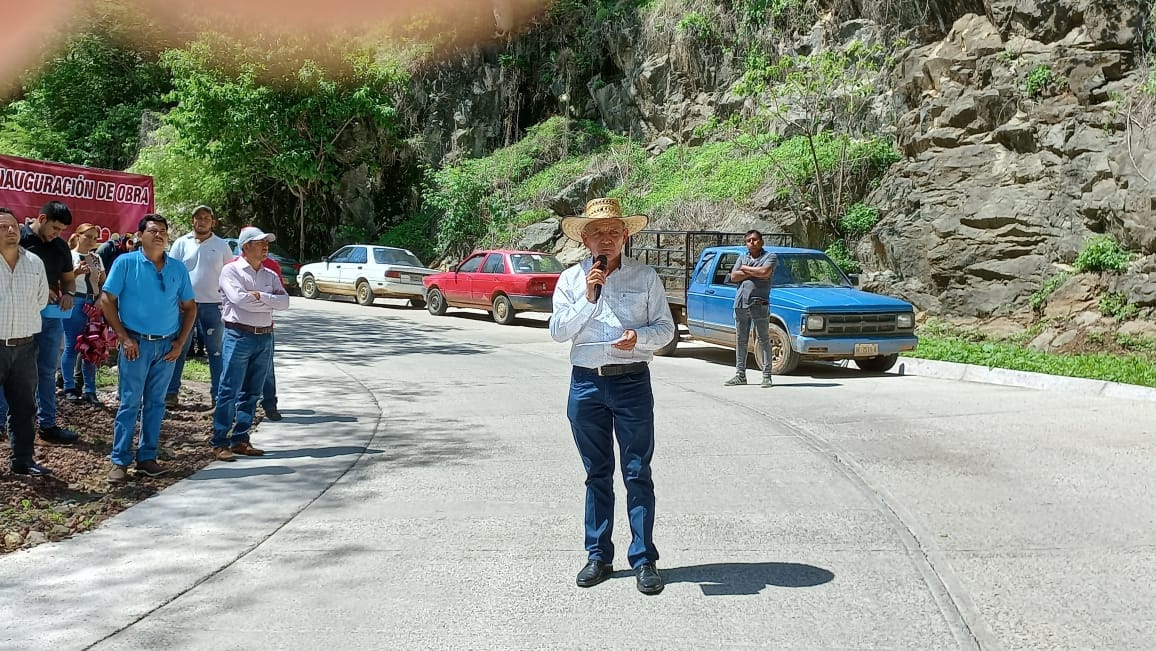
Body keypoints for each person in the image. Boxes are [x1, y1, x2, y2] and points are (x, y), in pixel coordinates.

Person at [548, 197, 675, 595]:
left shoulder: (645, 277)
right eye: (598, 233)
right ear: (585, 240)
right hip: (586, 385)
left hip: (632, 381)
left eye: (613, 232)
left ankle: (644, 559)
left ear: (625, 237)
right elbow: (558, 332)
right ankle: (598, 556)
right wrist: (589, 298)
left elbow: (666, 330)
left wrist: (640, 338)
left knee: (638, 473)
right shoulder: (571, 280)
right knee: (596, 474)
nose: (606, 239)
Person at [99, 215, 196, 483]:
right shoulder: (126, 263)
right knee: (129, 403)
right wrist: (124, 337)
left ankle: (147, 458)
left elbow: (190, 308)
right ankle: (119, 461)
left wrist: (180, 343)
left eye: (163, 231)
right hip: (136, 345)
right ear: (139, 235)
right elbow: (107, 300)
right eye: (153, 230)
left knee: (156, 404)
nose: (159, 235)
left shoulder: (177, 269)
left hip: (166, 347)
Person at [0, 201, 80, 445]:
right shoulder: (17, 238)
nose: (57, 234)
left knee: (45, 371)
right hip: (12, 320)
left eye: (61, 230)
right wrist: (39, 291)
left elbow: (68, 280)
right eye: (55, 228)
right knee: (7, 375)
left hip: (49, 319)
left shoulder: (60, 247)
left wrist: (68, 294)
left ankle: (47, 424)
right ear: (41, 218)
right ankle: (2, 424)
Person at [211, 226, 288, 461]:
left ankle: (241, 439)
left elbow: (284, 302)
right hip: (239, 336)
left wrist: (260, 296)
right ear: (245, 247)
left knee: (252, 391)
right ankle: (220, 441)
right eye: (259, 243)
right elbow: (239, 300)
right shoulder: (231, 271)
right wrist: (268, 301)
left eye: (267, 242)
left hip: (264, 336)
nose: (265, 247)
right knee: (229, 390)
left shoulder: (270, 275)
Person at [0, 208, 54, 475]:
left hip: (24, 347)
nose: (11, 231)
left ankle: (23, 460)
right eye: (3, 227)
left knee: (24, 407)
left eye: (14, 226)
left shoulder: (34, 262)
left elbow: (42, 300)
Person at [166, 205, 233, 408]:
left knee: (216, 351)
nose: (201, 221)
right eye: (198, 217)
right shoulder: (181, 243)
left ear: (213, 221)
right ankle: (170, 393)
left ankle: (218, 395)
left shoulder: (222, 245)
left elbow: (230, 275)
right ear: (192, 220)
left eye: (206, 217)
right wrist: (173, 297)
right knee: (178, 347)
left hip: (214, 306)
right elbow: (171, 272)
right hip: (184, 305)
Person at [724, 229, 778, 388]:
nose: (752, 242)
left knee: (763, 339)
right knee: (741, 340)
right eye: (748, 240)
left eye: (755, 240)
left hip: (759, 303)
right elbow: (733, 276)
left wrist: (745, 269)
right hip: (741, 303)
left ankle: (767, 376)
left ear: (761, 242)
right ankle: (740, 375)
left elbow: (765, 272)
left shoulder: (770, 257)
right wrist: (753, 271)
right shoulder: (742, 257)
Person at [60, 223, 105, 404]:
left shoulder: (96, 258)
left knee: (92, 346)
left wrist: (100, 298)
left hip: (92, 302)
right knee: (72, 345)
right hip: (74, 301)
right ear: (78, 236)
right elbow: (60, 280)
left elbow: (103, 281)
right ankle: (69, 386)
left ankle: (90, 389)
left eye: (95, 238)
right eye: (88, 236)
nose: (92, 241)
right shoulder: (68, 255)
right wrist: (76, 271)